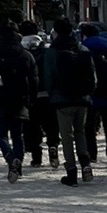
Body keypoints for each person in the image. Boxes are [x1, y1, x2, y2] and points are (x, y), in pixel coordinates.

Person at [42, 17, 96, 186]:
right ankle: (86, 164)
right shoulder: (83, 49)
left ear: (55, 32)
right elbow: (93, 76)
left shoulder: (52, 51)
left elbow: (48, 77)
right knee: (80, 131)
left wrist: (52, 94)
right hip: (82, 99)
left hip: (62, 99)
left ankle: (71, 172)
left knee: (66, 136)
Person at [0, 22, 37, 183]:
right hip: (20, 99)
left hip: (0, 99)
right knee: (17, 135)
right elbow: (34, 79)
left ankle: (9, 156)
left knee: (1, 134)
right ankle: (17, 165)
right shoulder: (25, 54)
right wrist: (31, 99)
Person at [80, 23, 107, 169]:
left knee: (89, 125)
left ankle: (91, 154)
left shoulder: (83, 49)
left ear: (84, 35)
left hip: (90, 94)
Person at [20, 21, 59, 169]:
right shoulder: (47, 49)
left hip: (30, 95)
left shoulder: (21, 51)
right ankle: (53, 146)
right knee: (51, 125)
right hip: (48, 94)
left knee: (33, 126)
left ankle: (37, 157)